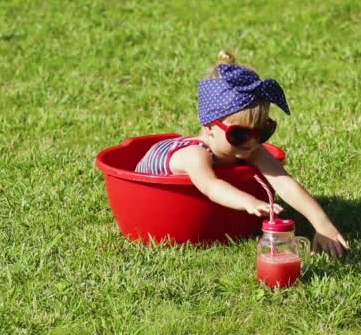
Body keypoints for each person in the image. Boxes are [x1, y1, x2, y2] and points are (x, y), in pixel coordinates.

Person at [135, 51, 349, 257]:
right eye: (239, 134)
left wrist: (322, 224)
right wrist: (249, 202)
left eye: (263, 131)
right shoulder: (194, 155)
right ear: (209, 126)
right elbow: (211, 186)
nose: (252, 141)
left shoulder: (248, 146)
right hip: (154, 198)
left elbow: (283, 182)